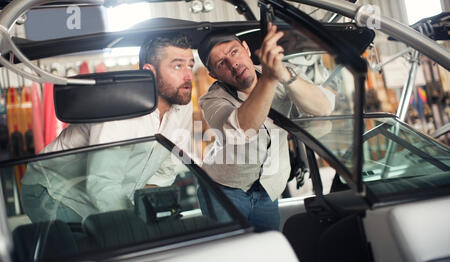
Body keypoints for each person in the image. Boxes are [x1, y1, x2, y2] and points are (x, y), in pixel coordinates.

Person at [21, 33, 195, 223]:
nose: (188, 76)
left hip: (105, 190)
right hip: (52, 190)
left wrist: (152, 210)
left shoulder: (183, 106)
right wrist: (135, 223)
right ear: (150, 72)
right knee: (100, 245)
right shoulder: (120, 107)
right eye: (177, 66)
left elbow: (166, 165)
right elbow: (102, 184)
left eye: (190, 65)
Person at [196, 24, 335, 232]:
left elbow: (323, 108)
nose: (233, 63)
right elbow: (241, 131)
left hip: (267, 189)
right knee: (230, 255)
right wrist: (270, 78)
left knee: (268, 249)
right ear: (213, 74)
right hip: (223, 190)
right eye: (221, 63)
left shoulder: (283, 73)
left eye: (234, 52)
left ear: (246, 48)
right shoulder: (211, 100)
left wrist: (285, 76)